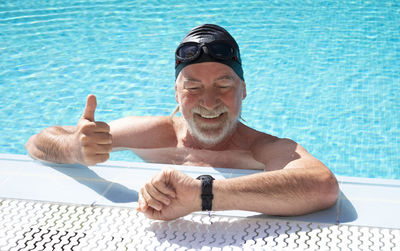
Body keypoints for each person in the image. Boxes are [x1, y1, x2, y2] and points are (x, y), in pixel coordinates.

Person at [26, 24, 338, 221]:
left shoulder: (263, 148)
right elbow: (37, 142)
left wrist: (202, 196)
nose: (209, 101)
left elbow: (322, 186)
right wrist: (73, 148)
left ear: (243, 89)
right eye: (192, 87)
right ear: (176, 92)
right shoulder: (154, 134)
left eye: (224, 85)